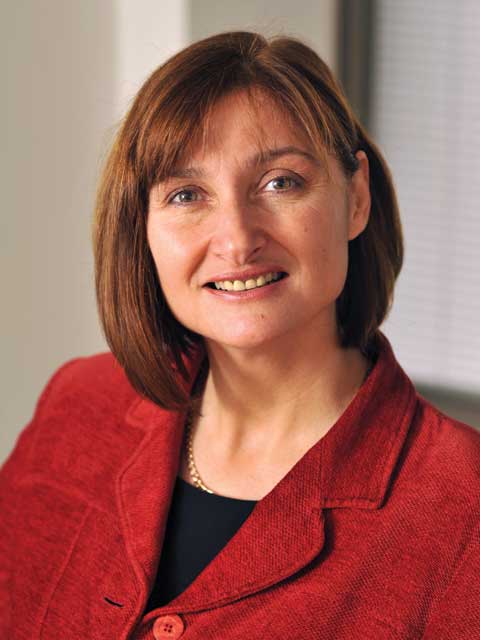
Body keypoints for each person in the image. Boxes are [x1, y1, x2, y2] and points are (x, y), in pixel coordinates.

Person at [1, 31, 479, 640]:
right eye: (186, 194)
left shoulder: (463, 509)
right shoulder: (77, 405)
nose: (236, 239)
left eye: (281, 182)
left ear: (356, 198)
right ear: (142, 227)